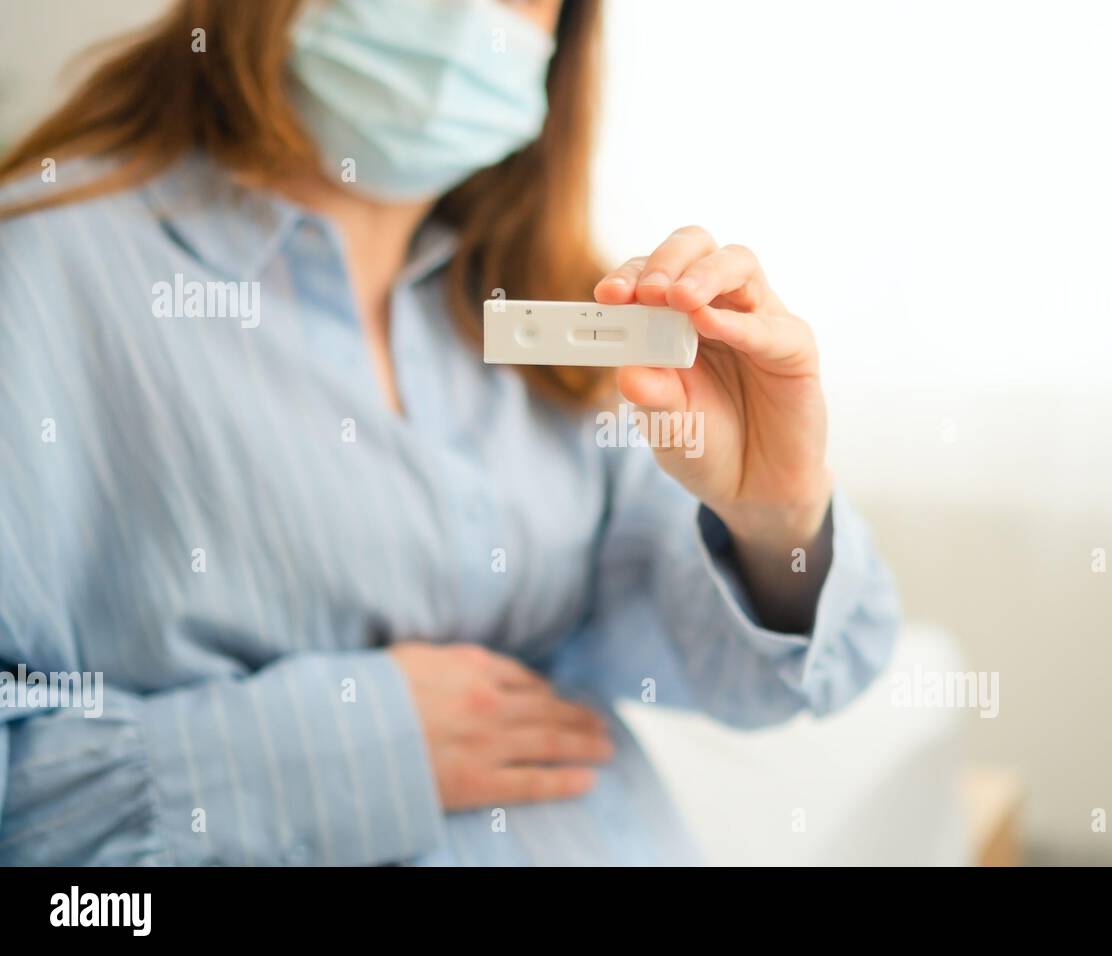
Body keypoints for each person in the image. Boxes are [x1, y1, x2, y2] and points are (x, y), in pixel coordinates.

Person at [0, 0, 899, 865]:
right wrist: (344, 749)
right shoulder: (41, 283)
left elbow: (778, 675)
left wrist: (776, 516)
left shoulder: (547, 308)